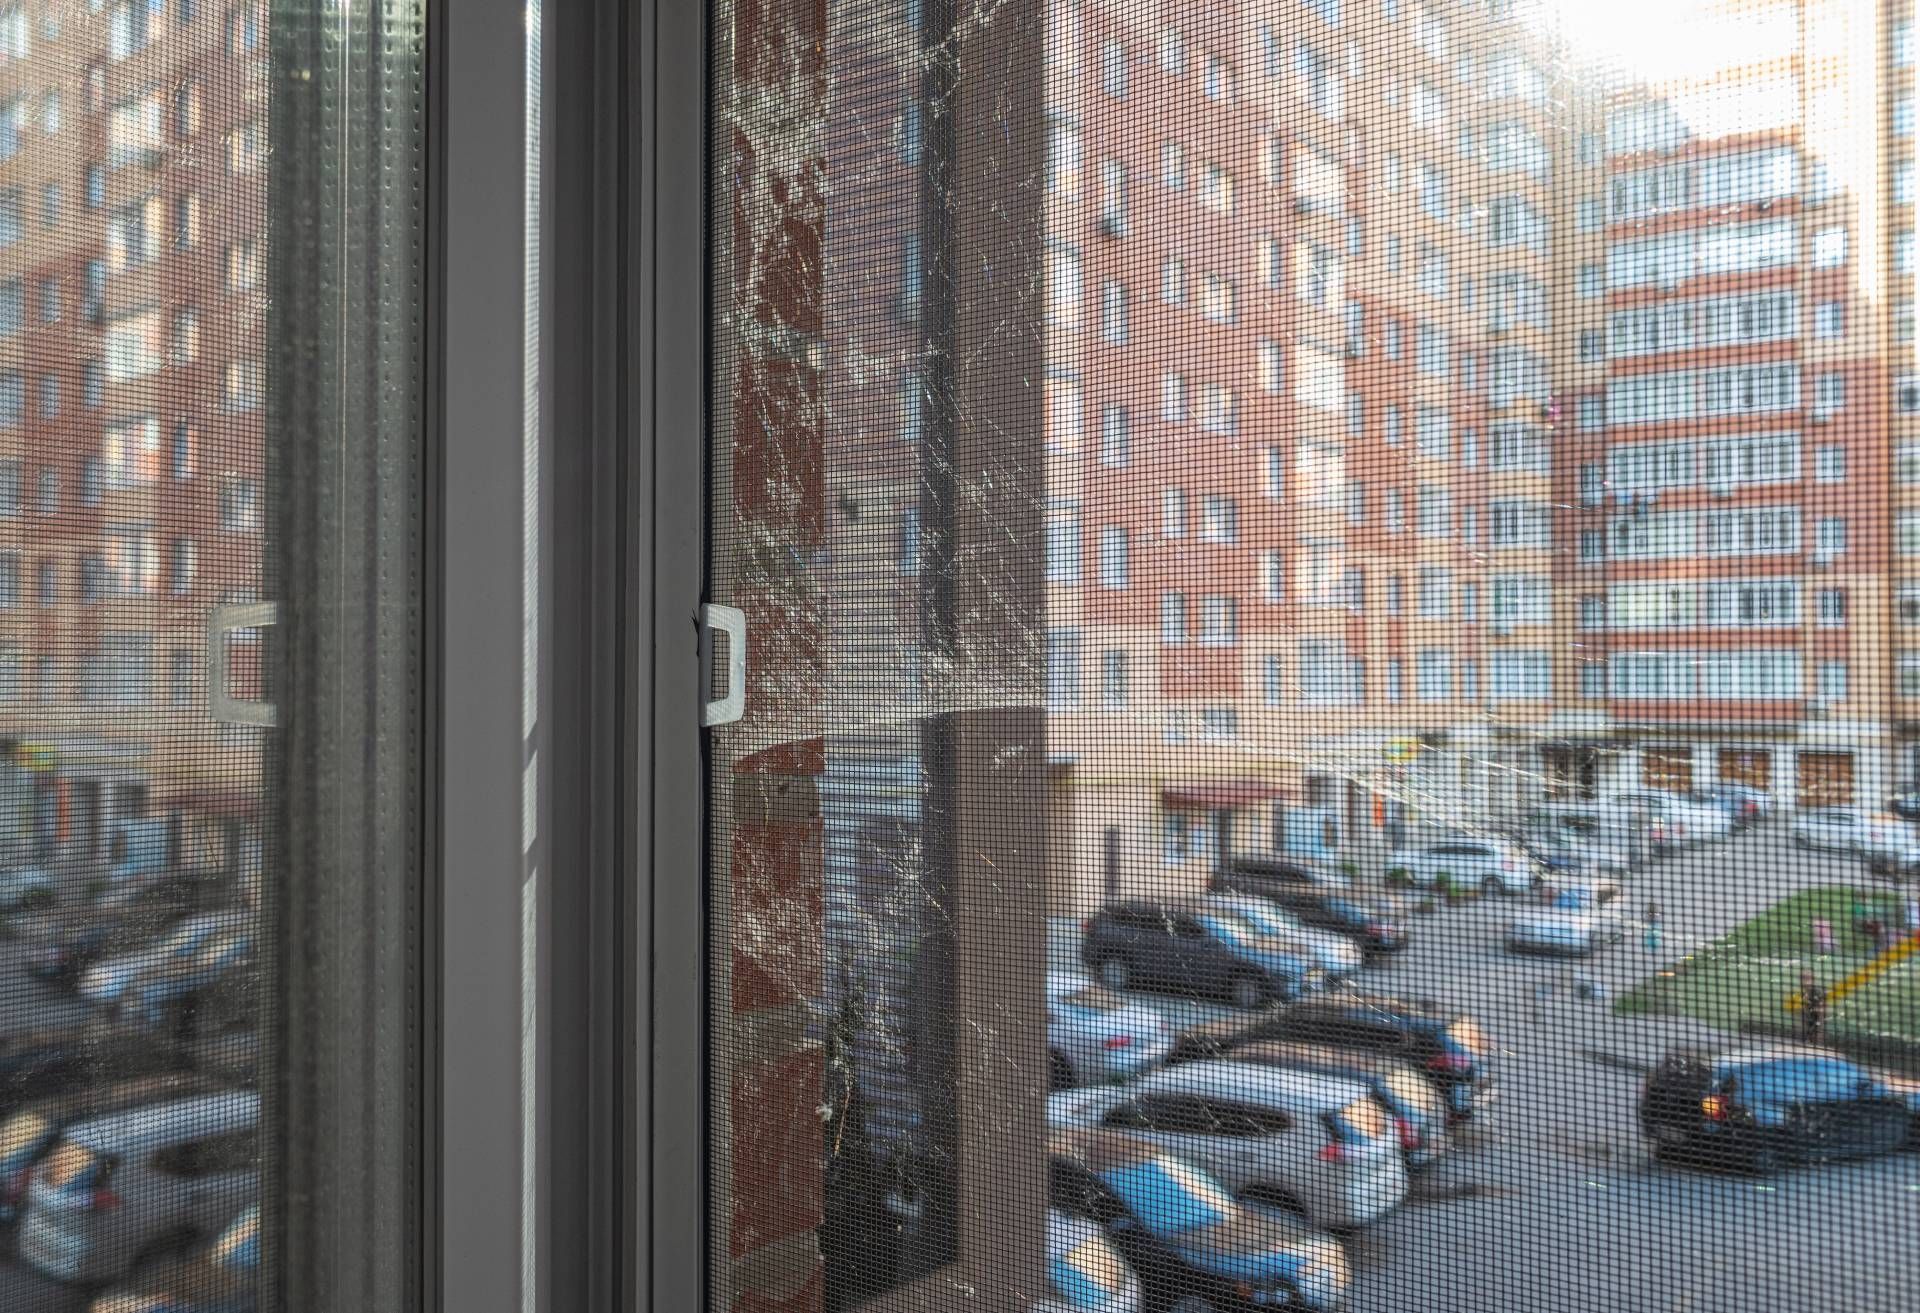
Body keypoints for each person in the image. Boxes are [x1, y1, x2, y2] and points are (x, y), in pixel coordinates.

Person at [1798, 968, 1828, 1043]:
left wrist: (1820, 1033)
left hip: (1816, 1031)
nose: (1805, 981)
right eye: (1803, 978)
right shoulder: (1804, 994)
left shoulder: (1818, 992)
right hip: (1808, 1030)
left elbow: (1822, 1013)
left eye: (1808, 978)